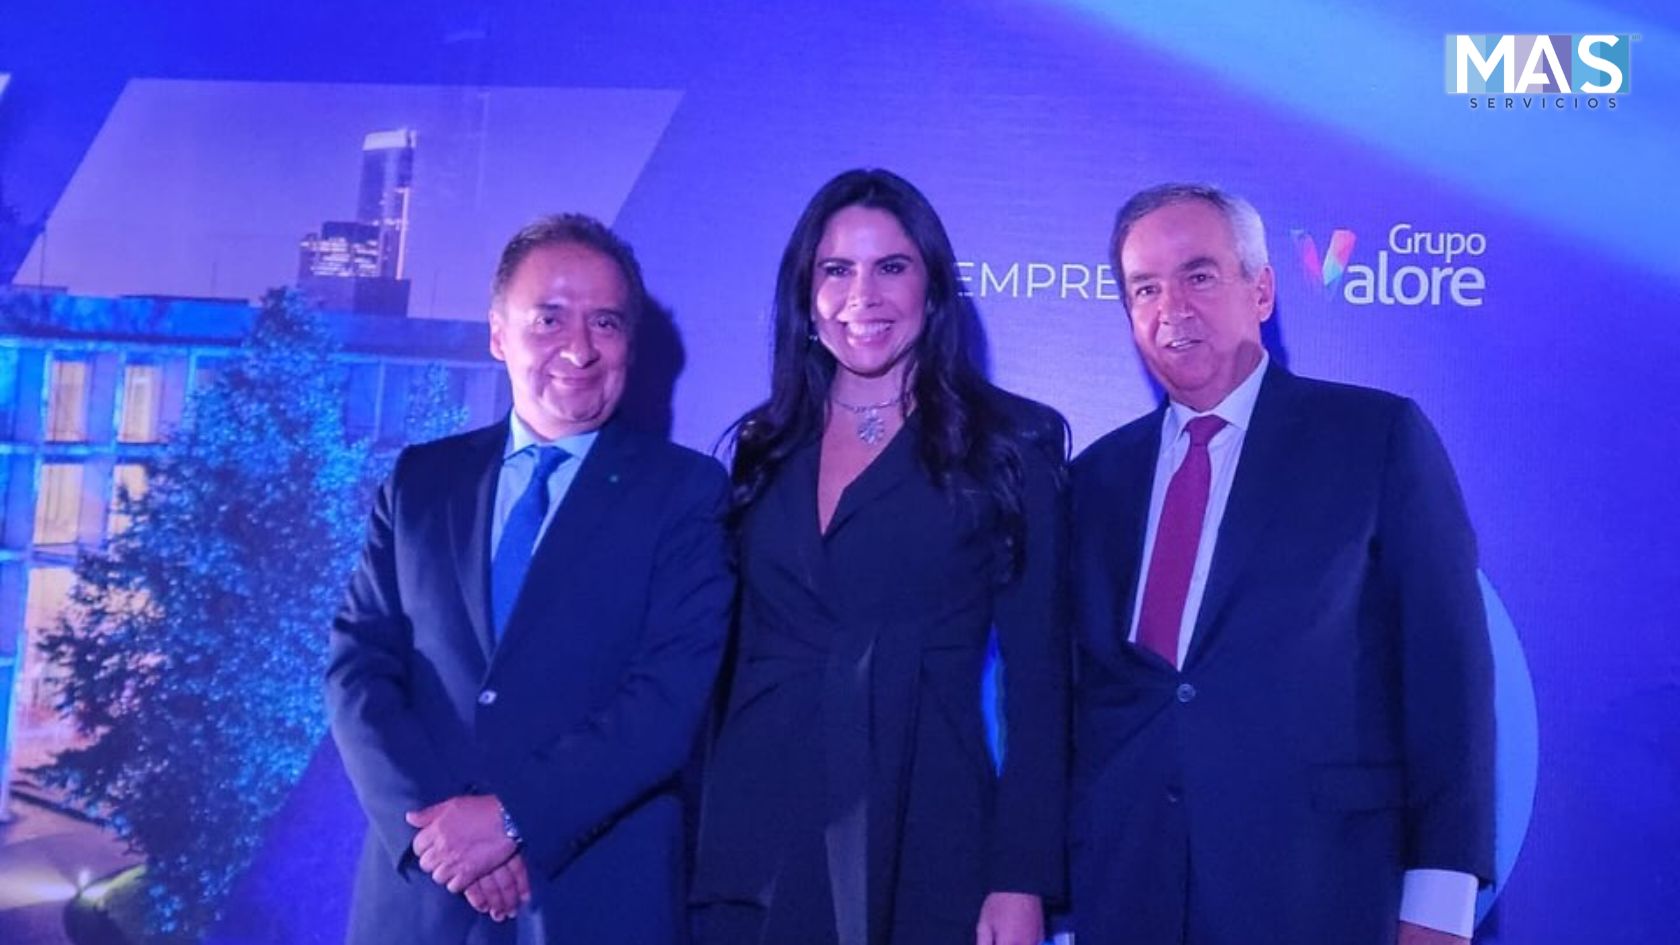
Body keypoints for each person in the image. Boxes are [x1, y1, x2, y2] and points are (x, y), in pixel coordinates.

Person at [1069, 183, 1495, 945]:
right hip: (1129, 888)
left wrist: (1441, 894)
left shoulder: (1374, 438)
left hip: (1319, 886)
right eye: (1145, 288)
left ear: (1261, 290)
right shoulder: (1093, 480)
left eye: (1199, 275)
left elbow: (1447, 673)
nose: (1171, 308)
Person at [325, 214, 733, 945]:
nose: (579, 348)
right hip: (421, 905)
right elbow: (358, 671)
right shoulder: (422, 481)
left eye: (605, 322)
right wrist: (438, 838)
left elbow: (667, 700)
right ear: (497, 334)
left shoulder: (686, 494)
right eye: (549, 319)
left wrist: (512, 818)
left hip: (593, 901)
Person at [691, 169, 1070, 945]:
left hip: (925, 826)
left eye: (891, 266)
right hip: (755, 830)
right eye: (837, 269)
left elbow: (1040, 684)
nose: (862, 295)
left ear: (933, 290)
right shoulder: (763, 446)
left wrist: (1020, 874)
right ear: (806, 296)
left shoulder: (1008, 445)